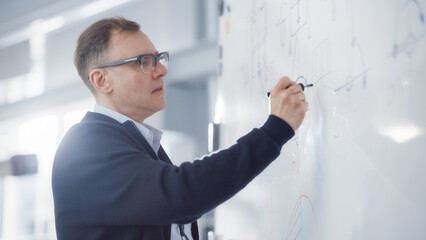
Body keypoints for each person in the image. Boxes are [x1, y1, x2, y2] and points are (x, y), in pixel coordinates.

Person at [52, 17, 308, 240]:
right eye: (144, 61)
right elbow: (181, 195)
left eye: (159, 58)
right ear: (101, 80)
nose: (161, 70)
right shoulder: (85, 147)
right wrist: (275, 130)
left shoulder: (135, 144)